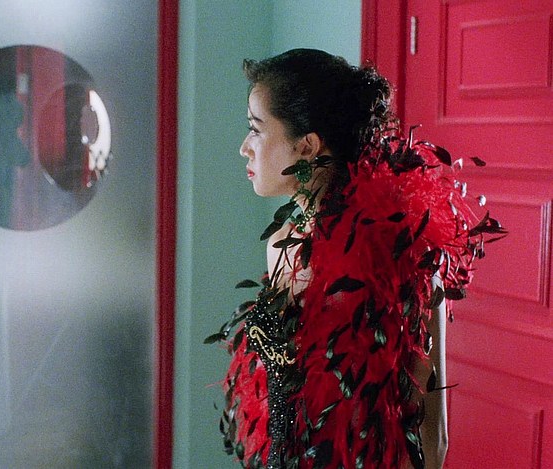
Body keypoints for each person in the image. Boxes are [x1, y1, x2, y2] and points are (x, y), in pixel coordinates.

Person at [208, 49, 503, 468]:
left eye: (256, 129)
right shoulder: (280, 244)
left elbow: (431, 430)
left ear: (306, 146)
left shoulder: (402, 250)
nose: (244, 148)